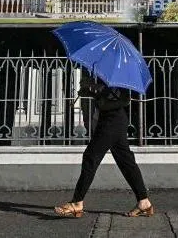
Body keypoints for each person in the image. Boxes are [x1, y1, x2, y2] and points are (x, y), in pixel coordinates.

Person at [54, 70, 154, 218]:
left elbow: (119, 98)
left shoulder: (120, 74)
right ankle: (144, 202)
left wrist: (93, 89)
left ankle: (77, 202)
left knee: (90, 157)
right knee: (126, 161)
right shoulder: (106, 73)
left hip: (112, 122)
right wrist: (90, 90)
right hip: (112, 121)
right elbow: (105, 97)